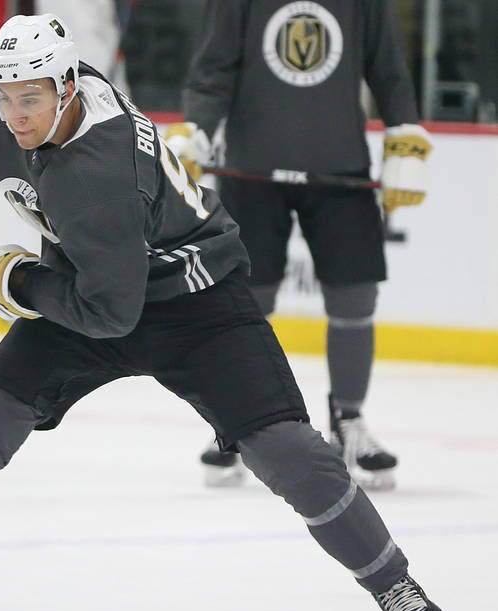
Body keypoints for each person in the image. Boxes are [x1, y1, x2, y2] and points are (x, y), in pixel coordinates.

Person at [0, 14, 457, 611]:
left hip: (193, 302)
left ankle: (396, 586)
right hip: (91, 284)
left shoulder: (101, 174)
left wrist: (19, 286)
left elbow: (111, 315)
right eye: (4, 99)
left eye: (31, 101)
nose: (15, 115)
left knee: (292, 455)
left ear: (68, 87)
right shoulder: (8, 84)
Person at [164, 0, 430, 491]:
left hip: (339, 168)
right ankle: (238, 422)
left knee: (355, 293)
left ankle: (349, 421)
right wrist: (196, 129)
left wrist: (404, 135)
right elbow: (214, 69)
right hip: (253, 168)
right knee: (245, 301)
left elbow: (387, 67)